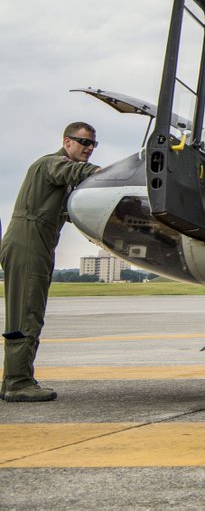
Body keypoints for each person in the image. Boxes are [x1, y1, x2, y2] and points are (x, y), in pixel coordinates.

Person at [2, 123, 102, 402]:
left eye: (94, 144)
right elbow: (76, 171)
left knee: (29, 310)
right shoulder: (52, 164)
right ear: (67, 141)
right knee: (27, 312)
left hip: (37, 244)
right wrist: (108, 176)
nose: (89, 148)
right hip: (28, 243)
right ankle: (18, 383)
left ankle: (13, 379)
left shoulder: (59, 177)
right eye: (84, 142)